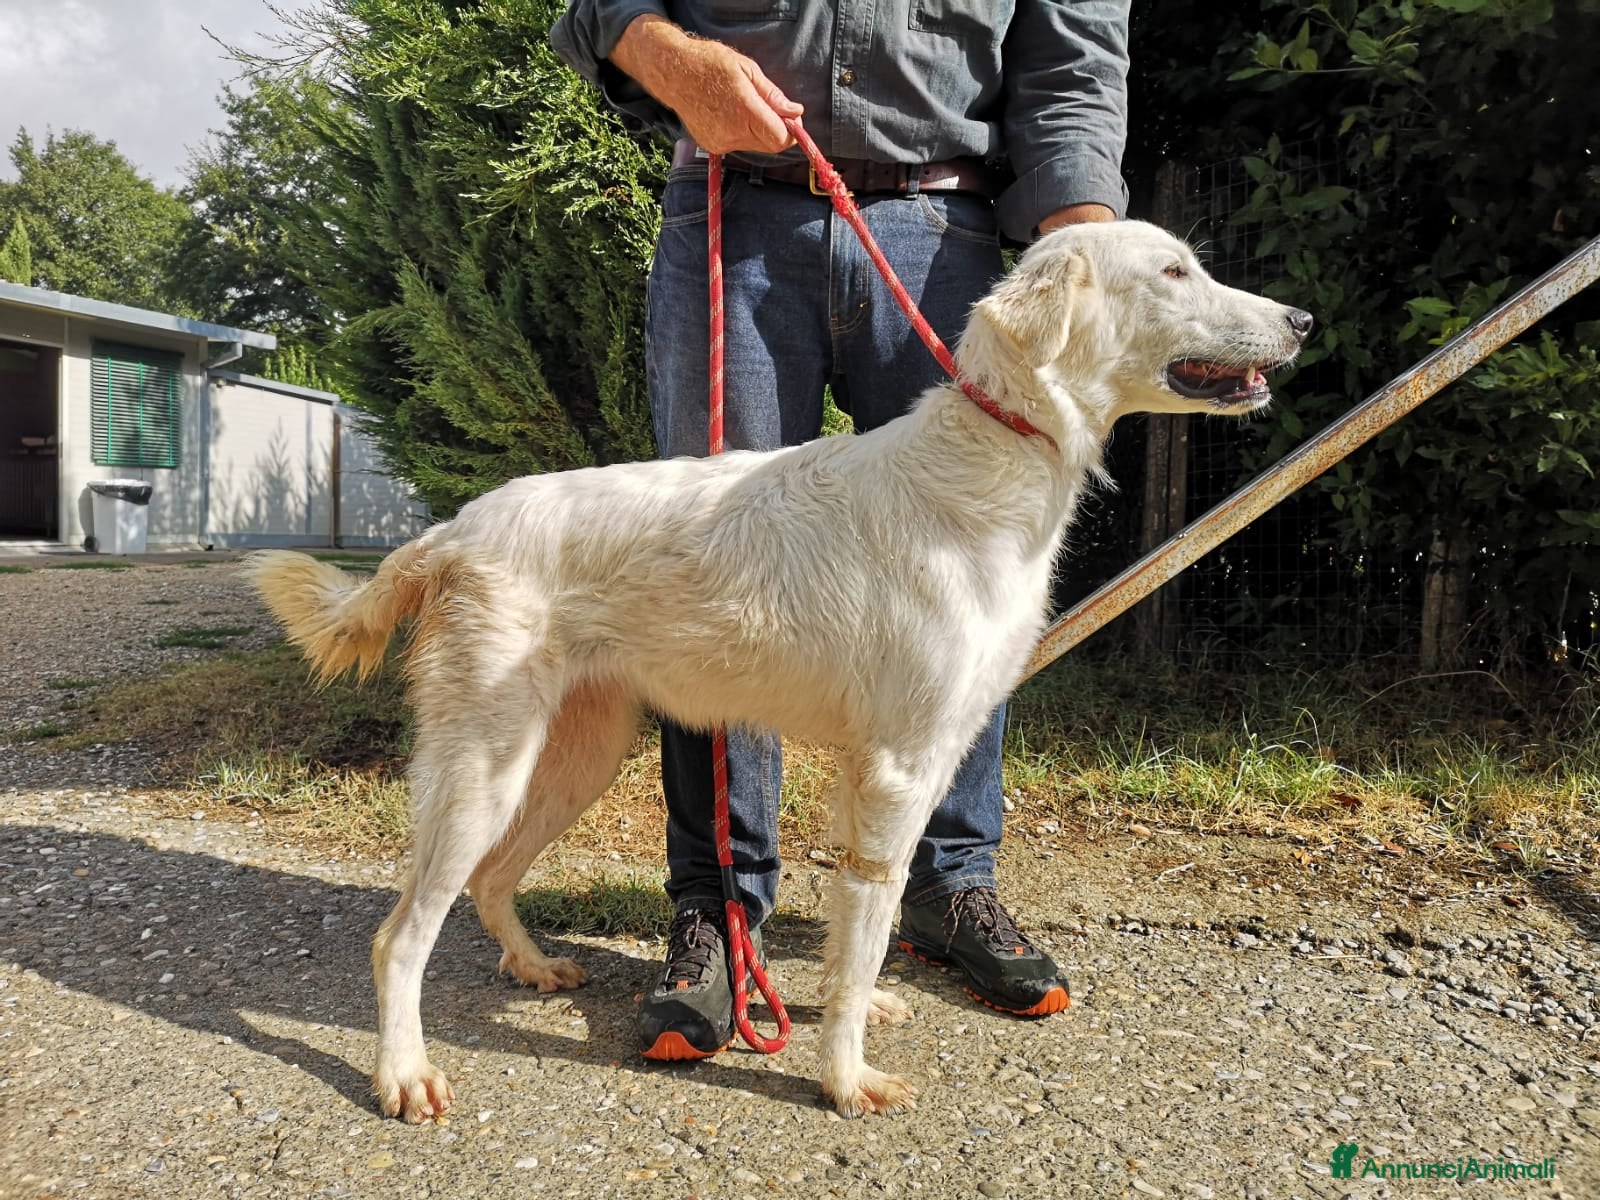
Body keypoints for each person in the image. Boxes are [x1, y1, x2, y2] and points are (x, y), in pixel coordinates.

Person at [551, 0, 1129, 1061]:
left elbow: (1075, 56)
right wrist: (664, 54)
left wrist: (1090, 244)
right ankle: (718, 909)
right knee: (709, 573)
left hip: (951, 233)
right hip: (730, 212)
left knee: (965, 578)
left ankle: (947, 886)